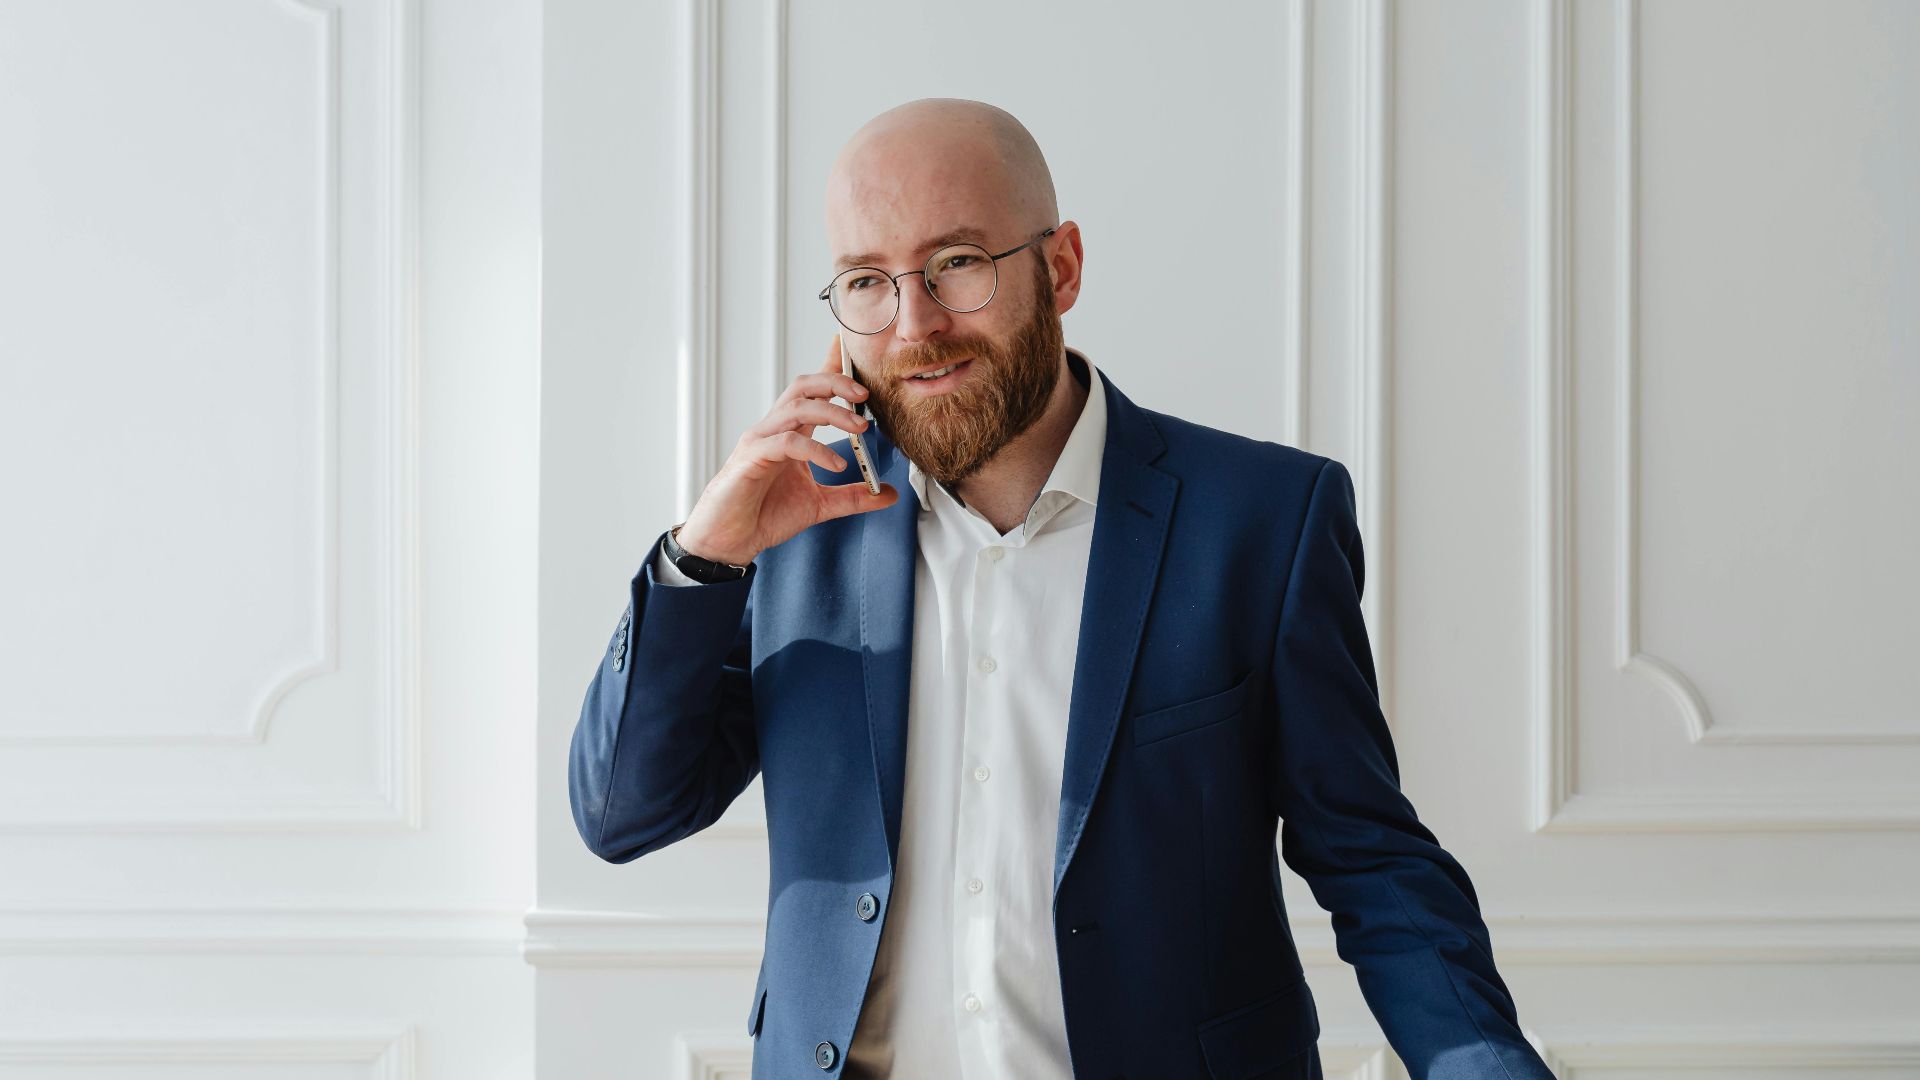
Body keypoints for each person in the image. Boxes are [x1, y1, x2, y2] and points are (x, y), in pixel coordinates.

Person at [568, 97, 1557, 1080]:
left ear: (1062, 267)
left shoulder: (1261, 521)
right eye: (868, 280)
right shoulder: (790, 532)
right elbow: (623, 816)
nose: (914, 325)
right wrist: (703, 556)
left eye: (956, 264)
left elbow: (1371, 862)